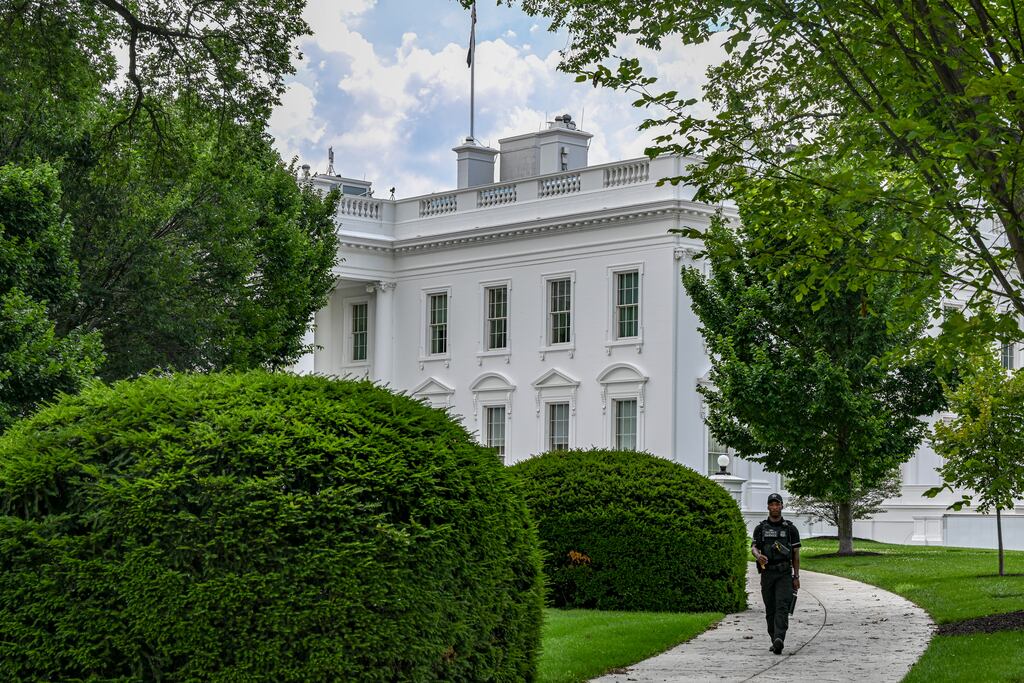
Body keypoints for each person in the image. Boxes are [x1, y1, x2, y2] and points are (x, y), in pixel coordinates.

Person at [751, 492, 801, 655]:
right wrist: (759, 556)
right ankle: (774, 639)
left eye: (777, 504)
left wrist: (796, 576)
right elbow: (754, 547)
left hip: (784, 573)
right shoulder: (760, 528)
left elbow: (795, 555)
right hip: (767, 574)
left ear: (781, 506)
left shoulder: (790, 529)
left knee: (782, 606)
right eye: (771, 504)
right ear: (768, 507)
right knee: (770, 608)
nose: (774, 507)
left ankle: (780, 638)